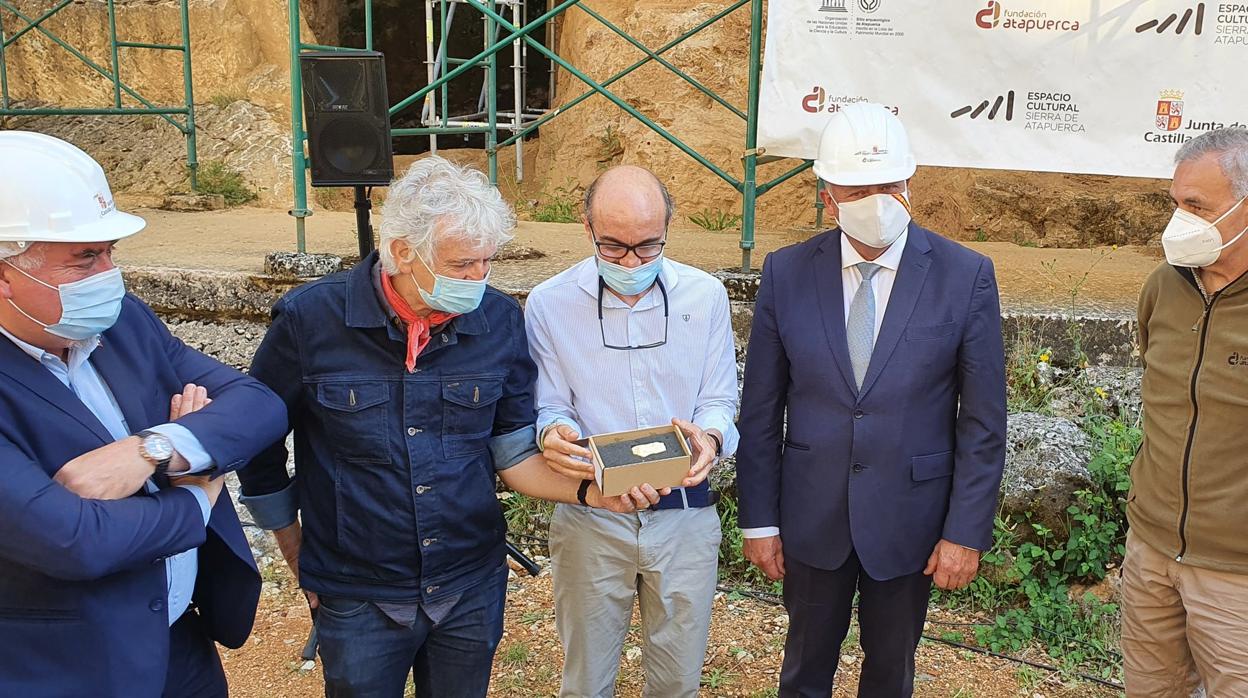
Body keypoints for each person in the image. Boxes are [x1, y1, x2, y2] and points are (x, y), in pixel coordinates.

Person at [237, 156, 659, 698]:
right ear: (401, 252)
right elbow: (259, 447)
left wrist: (591, 492)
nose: (478, 280)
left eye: (487, 262)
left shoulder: (499, 322)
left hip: (469, 587)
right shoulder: (309, 320)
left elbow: (513, 456)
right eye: (461, 265)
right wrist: (293, 547)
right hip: (359, 591)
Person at [0, 131, 288, 696]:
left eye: (111, 252)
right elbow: (74, 540)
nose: (110, 274)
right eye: (84, 258)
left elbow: (259, 404)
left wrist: (154, 448)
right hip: (67, 669)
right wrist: (198, 493)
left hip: (182, 644)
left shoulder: (123, 322)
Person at [735, 103, 1007, 697]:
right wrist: (759, 519)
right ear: (828, 195)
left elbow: (983, 423)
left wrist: (966, 531)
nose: (877, 199)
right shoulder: (786, 273)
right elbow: (760, 410)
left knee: (891, 673)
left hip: (911, 521)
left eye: (888, 185)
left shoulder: (965, 276)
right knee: (804, 669)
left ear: (910, 184)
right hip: (811, 516)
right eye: (859, 188)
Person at [525, 164, 740, 698]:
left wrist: (709, 440)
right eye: (614, 246)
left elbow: (719, 399)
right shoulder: (549, 303)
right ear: (587, 229)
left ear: (669, 227)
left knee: (678, 681)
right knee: (586, 680)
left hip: (685, 516)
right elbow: (550, 404)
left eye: (648, 246)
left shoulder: (705, 295)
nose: (631, 261)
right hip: (591, 513)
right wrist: (554, 433)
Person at [1123, 127, 1248, 696]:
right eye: (1176, 204)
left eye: (1197, 206)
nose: (1180, 222)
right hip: (1149, 555)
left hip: (1237, 577)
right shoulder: (1163, 288)